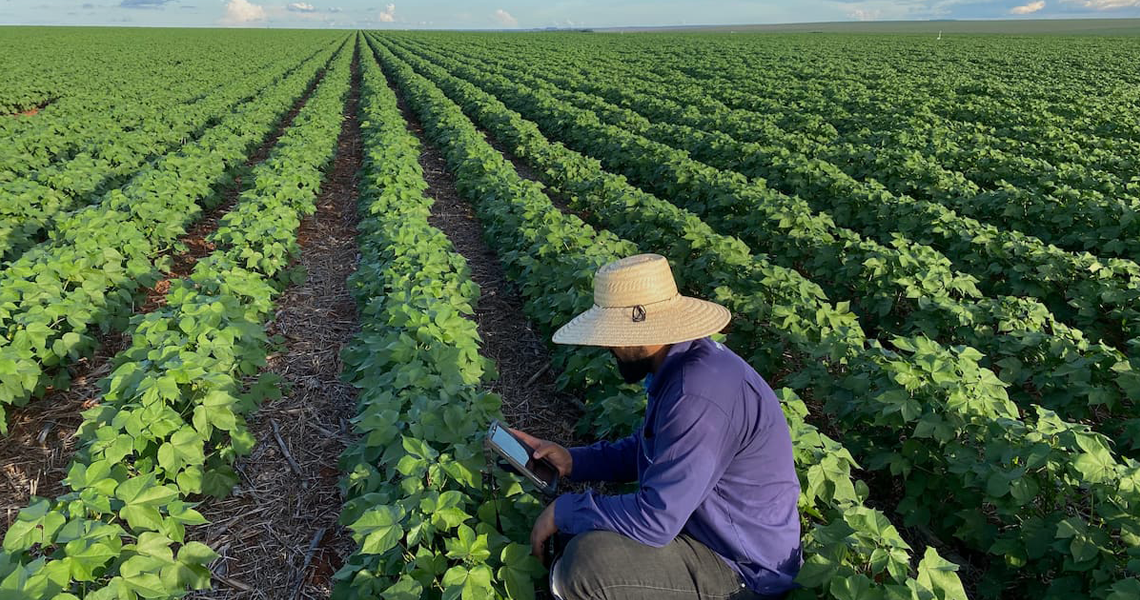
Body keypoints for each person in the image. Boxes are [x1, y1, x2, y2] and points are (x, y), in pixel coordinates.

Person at [512, 254, 801, 600]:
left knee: (586, 568)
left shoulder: (697, 394)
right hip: (704, 531)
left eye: (613, 334)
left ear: (643, 332)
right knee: (581, 537)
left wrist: (564, 510)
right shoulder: (684, 364)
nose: (607, 345)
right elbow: (650, 447)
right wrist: (573, 461)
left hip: (743, 569)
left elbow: (656, 519)